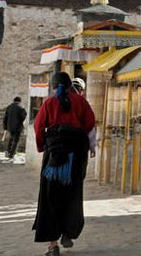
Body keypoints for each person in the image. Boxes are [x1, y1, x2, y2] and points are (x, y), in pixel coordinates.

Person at [33, 72, 96, 256]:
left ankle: (52, 246)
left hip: (53, 158)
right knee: (72, 196)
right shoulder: (81, 103)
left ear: (53, 87)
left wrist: (41, 146)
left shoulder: (49, 103)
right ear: (70, 86)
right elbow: (90, 126)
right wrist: (90, 147)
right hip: (75, 158)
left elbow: (38, 128)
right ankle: (68, 232)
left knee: (50, 198)